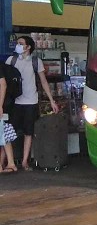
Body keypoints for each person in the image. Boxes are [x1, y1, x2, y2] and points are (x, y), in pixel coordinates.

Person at [4, 36, 59, 170]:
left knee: (29, 132)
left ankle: (24, 162)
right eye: (18, 43)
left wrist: (52, 100)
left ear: (28, 47)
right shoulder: (11, 60)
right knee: (8, 132)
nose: (18, 45)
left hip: (31, 101)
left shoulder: (36, 61)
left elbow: (43, 81)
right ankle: (6, 161)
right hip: (15, 102)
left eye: (21, 44)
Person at [0, 63, 18, 173]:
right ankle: (10, 163)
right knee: (4, 132)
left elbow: (3, 84)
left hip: (2, 105)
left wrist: (0, 106)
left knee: (3, 132)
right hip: (4, 105)